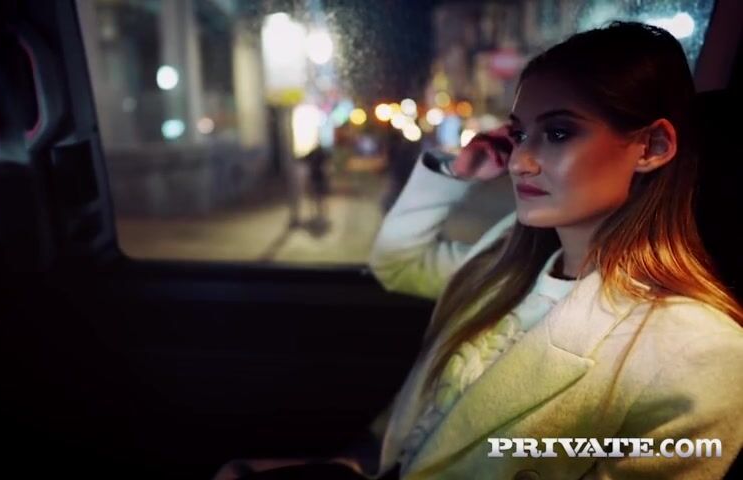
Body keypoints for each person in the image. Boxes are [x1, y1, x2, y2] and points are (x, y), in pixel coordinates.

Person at [213, 21, 743, 479]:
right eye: (520, 134)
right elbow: (397, 264)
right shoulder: (512, 258)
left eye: (559, 133)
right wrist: (455, 172)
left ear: (652, 147)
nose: (519, 162)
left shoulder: (700, 355)